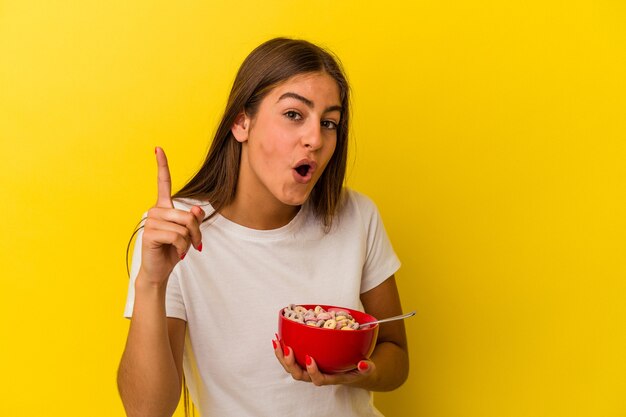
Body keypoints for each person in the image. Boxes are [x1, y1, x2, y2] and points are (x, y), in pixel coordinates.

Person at [117, 37, 409, 417]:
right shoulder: (176, 232)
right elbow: (147, 411)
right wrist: (151, 283)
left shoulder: (356, 215)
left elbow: (396, 358)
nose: (315, 139)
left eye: (329, 123)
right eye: (293, 114)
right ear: (242, 123)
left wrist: (350, 372)